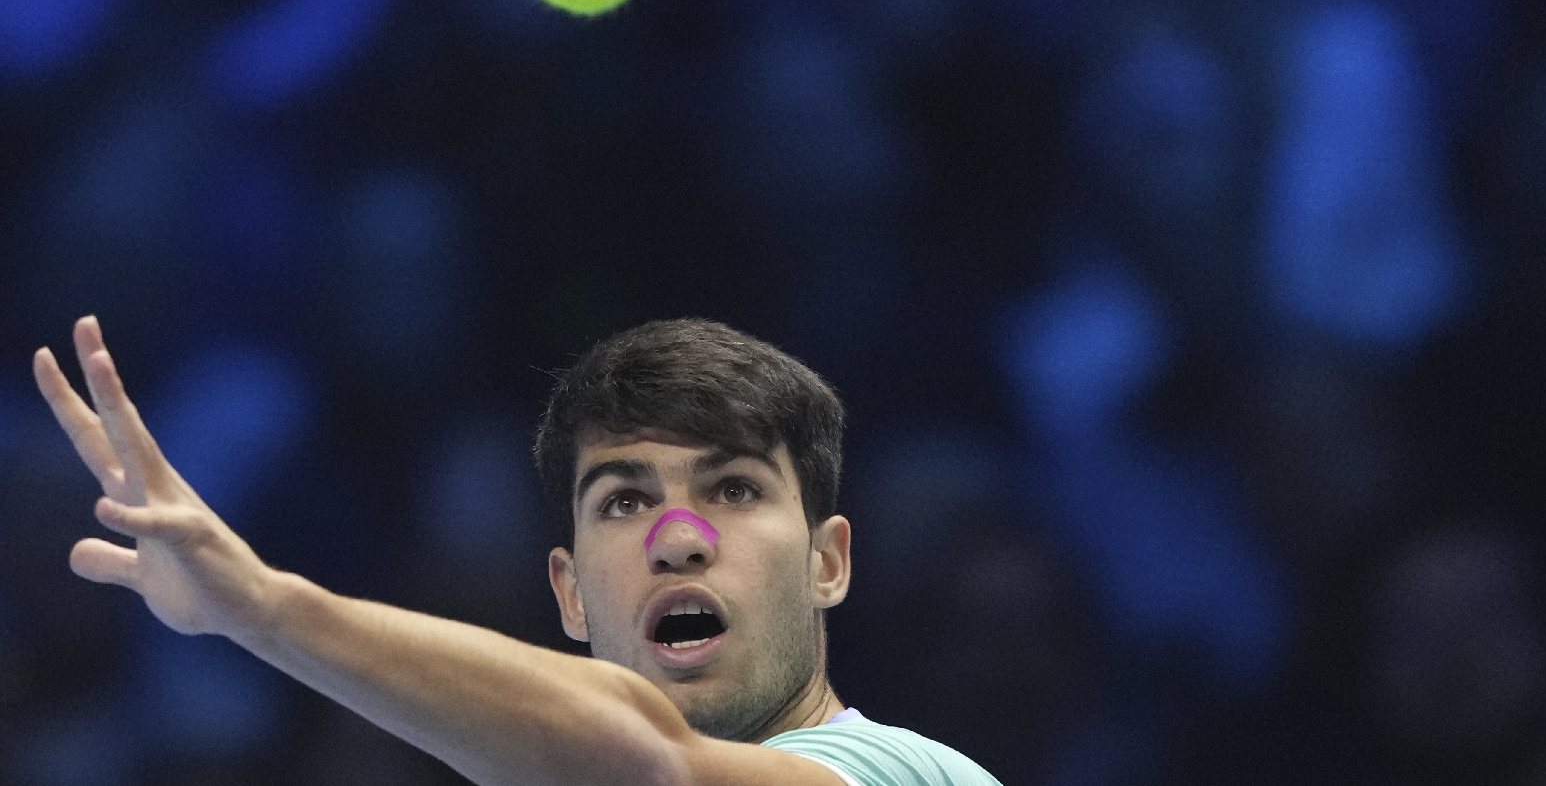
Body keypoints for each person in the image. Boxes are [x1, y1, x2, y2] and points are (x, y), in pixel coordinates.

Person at [34, 315, 1002, 786]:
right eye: (623, 502)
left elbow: (641, 760)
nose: (678, 539)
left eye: (734, 491)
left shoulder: (905, 774)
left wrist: (265, 608)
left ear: (827, 563)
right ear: (570, 597)